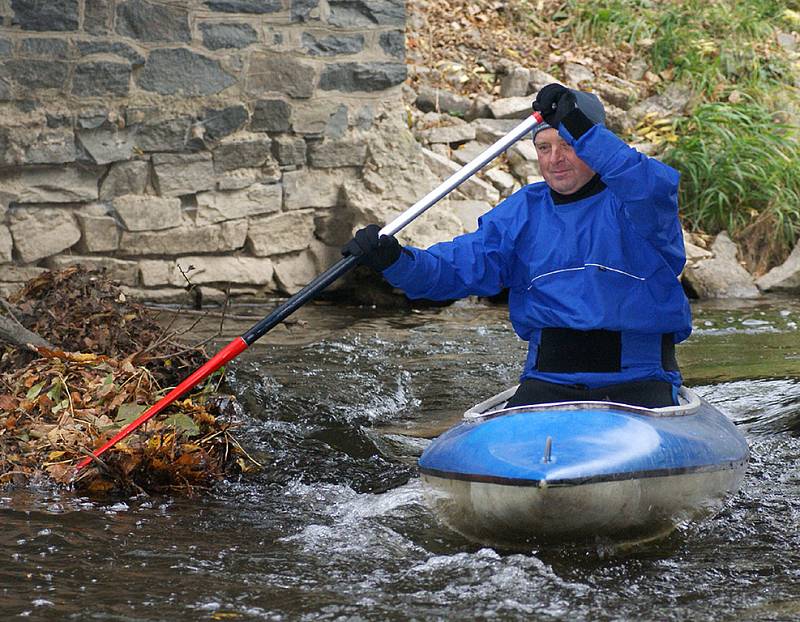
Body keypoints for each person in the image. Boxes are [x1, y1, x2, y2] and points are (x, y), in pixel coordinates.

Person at [342, 83, 692, 409]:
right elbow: (455, 269)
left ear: (594, 144)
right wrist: (394, 260)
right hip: (548, 382)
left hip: (641, 382)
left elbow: (649, 185)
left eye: (569, 144)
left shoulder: (640, 204)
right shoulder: (523, 211)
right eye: (544, 147)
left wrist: (579, 126)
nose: (555, 159)